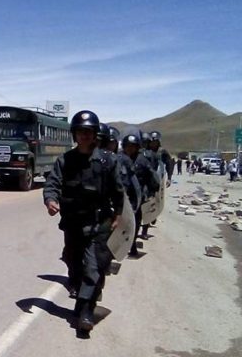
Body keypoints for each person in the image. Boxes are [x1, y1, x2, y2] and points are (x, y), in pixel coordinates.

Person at [43, 110, 124, 335]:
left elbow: (118, 191)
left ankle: (87, 311)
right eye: (80, 132)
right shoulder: (65, 160)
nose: (84, 136)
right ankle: (81, 298)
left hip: (99, 223)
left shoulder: (108, 161)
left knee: (94, 267)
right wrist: (50, 200)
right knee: (73, 262)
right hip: (72, 223)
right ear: (74, 135)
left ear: (95, 134)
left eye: (88, 132)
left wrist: (118, 216)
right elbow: (52, 184)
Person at [120, 133, 159, 255]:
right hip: (121, 196)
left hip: (137, 197)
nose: (130, 149)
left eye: (133, 146)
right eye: (128, 146)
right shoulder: (118, 159)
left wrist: (153, 192)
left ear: (137, 147)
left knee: (135, 222)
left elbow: (153, 177)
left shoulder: (143, 161)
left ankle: (132, 245)